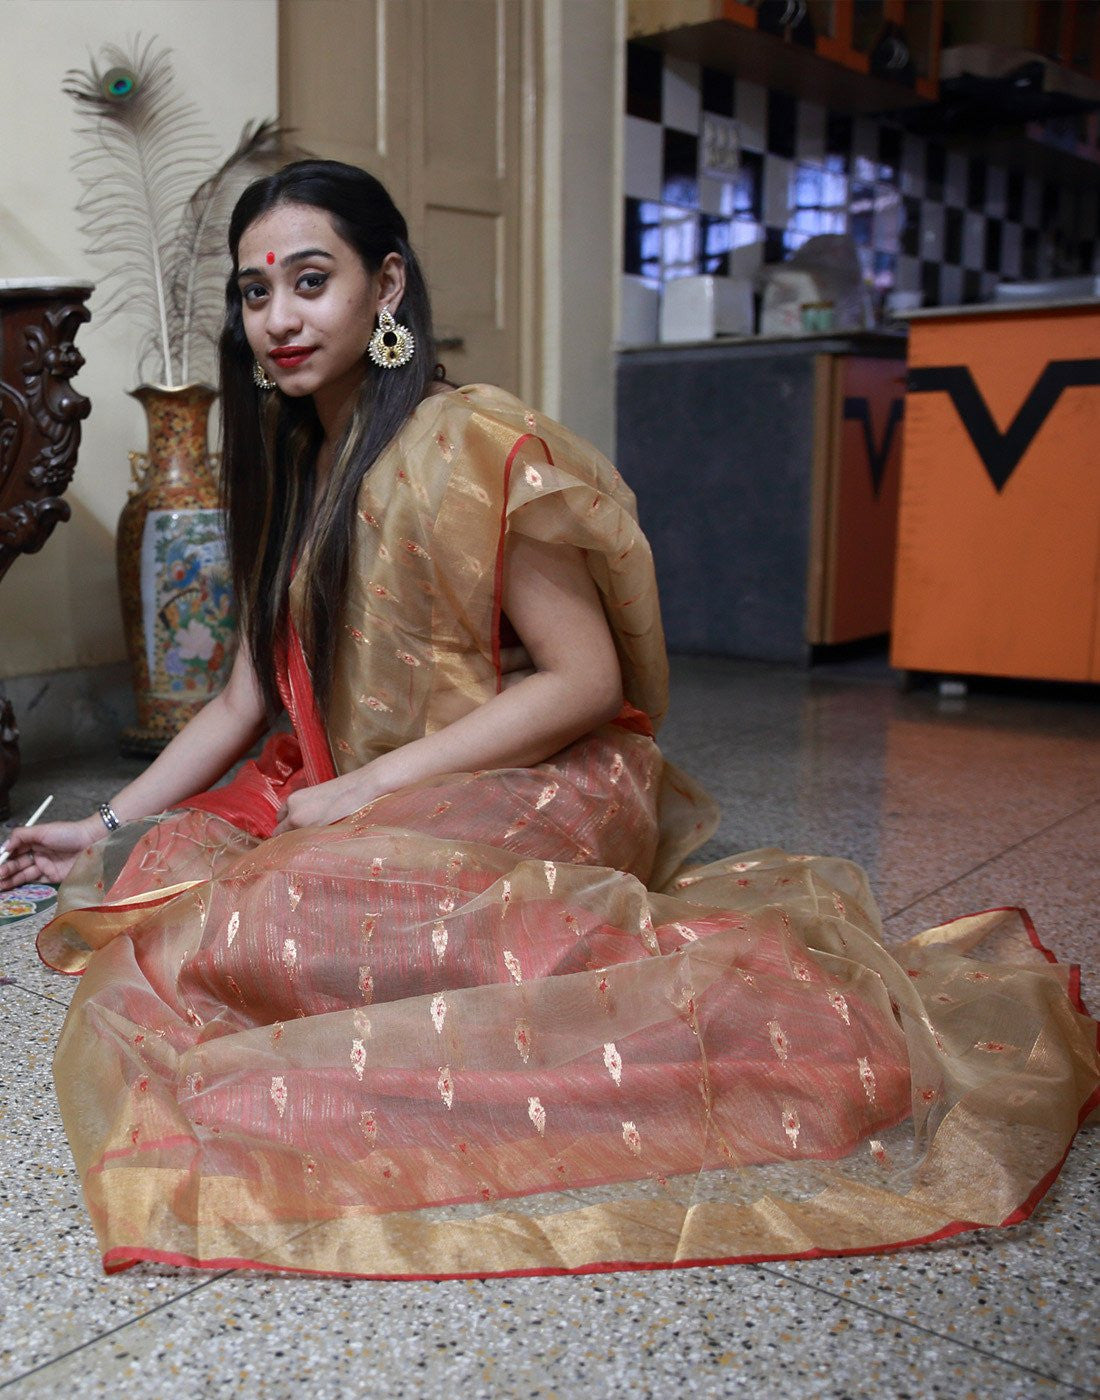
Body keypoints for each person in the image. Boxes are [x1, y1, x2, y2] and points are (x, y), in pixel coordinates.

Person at [2, 161, 1095, 1279]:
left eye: (309, 281)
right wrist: (105, 828)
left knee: (269, 915)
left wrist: (367, 789)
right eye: (252, 292)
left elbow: (580, 679)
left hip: (541, 777)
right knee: (197, 923)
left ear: (385, 286)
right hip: (387, 787)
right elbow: (245, 693)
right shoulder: (291, 466)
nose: (277, 317)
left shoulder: (470, 441)